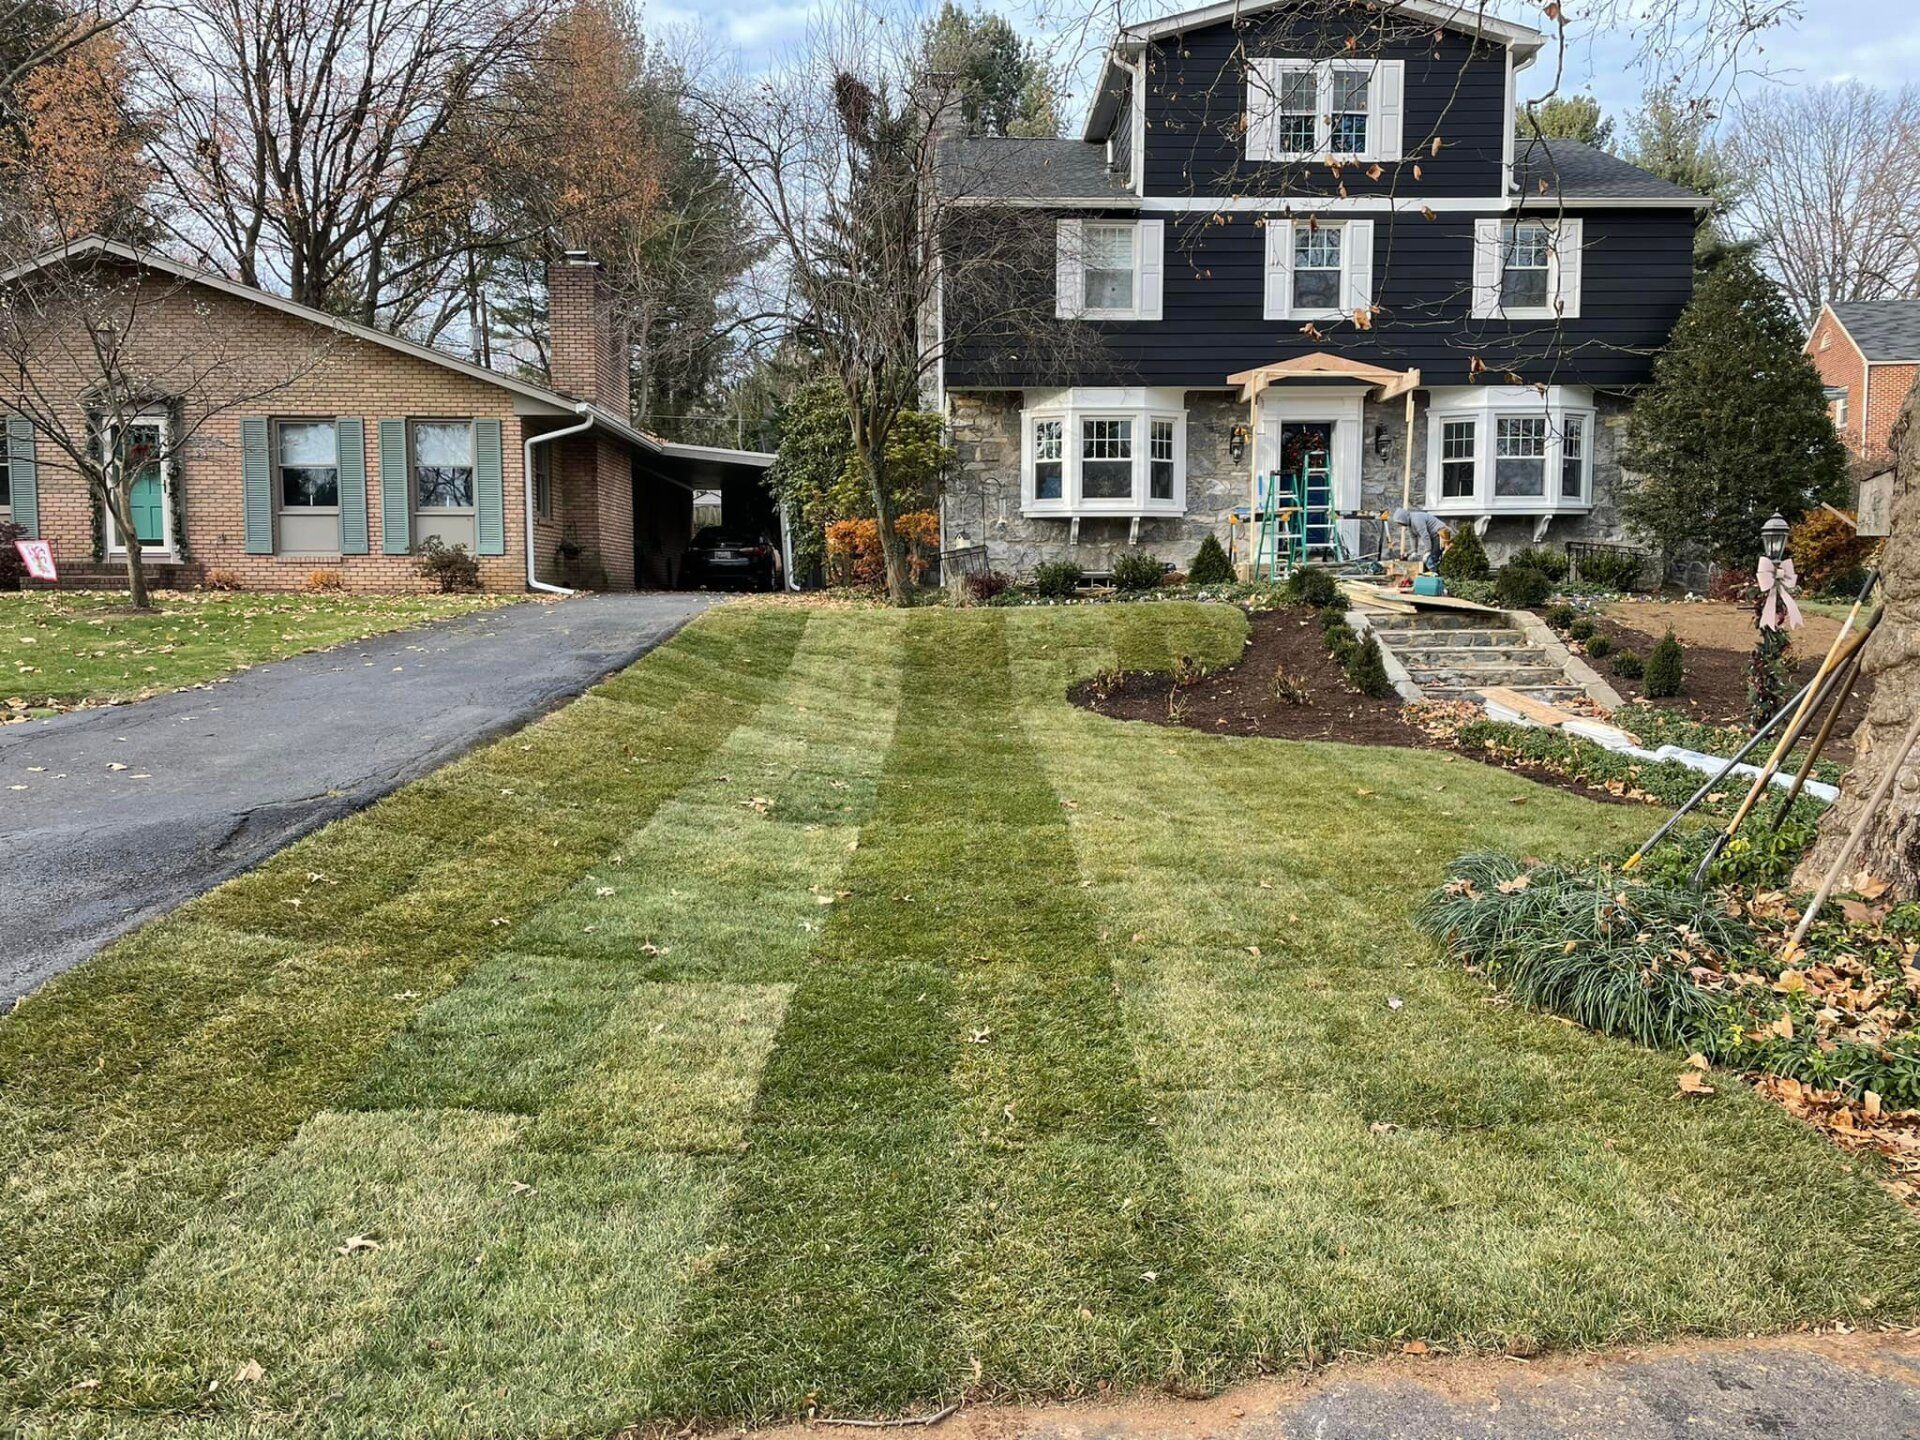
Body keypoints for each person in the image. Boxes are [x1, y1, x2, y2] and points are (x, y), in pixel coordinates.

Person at [1386, 506, 1445, 571]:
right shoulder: (1410, 523)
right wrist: (1414, 551)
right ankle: (1434, 573)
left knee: (1430, 561)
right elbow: (1413, 537)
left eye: (1400, 522)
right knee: (1429, 560)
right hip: (1433, 536)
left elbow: (1425, 535)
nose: (1400, 524)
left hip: (1440, 534)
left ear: (1403, 518)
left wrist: (1428, 551)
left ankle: (1436, 577)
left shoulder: (1417, 520)